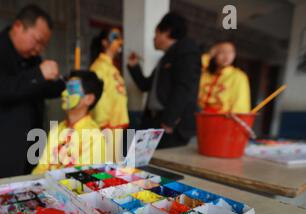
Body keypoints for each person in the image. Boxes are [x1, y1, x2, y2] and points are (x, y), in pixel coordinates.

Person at [0, 4, 65, 180]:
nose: (39, 49)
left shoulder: (31, 56)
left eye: (43, 45)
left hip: (32, 145)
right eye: (38, 40)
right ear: (18, 27)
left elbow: (40, 88)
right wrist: (39, 73)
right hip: (2, 152)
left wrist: (65, 85)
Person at [127, 13, 201, 148]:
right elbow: (145, 85)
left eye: (156, 34)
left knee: (158, 165)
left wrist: (169, 120)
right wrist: (134, 66)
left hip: (170, 126)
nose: (154, 39)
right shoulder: (166, 58)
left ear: (166, 32)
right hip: (154, 121)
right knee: (141, 161)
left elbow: (184, 88)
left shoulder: (187, 52)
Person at [32, 70, 105, 174]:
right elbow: (41, 169)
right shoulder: (57, 129)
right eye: (66, 88)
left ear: (89, 99)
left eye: (71, 89)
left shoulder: (94, 137)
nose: (64, 93)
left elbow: (81, 180)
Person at [90, 28, 129, 161]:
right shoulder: (99, 68)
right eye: (115, 37)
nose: (120, 42)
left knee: (114, 169)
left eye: (120, 38)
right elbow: (99, 99)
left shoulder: (111, 68)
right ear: (104, 43)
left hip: (115, 127)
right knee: (106, 169)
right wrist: (103, 126)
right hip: (107, 129)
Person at [198, 40, 251, 113]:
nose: (227, 55)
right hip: (199, 116)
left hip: (222, 119)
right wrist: (210, 55)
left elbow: (240, 105)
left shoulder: (238, 76)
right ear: (214, 53)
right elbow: (198, 63)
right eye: (222, 51)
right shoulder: (205, 73)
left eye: (230, 52)